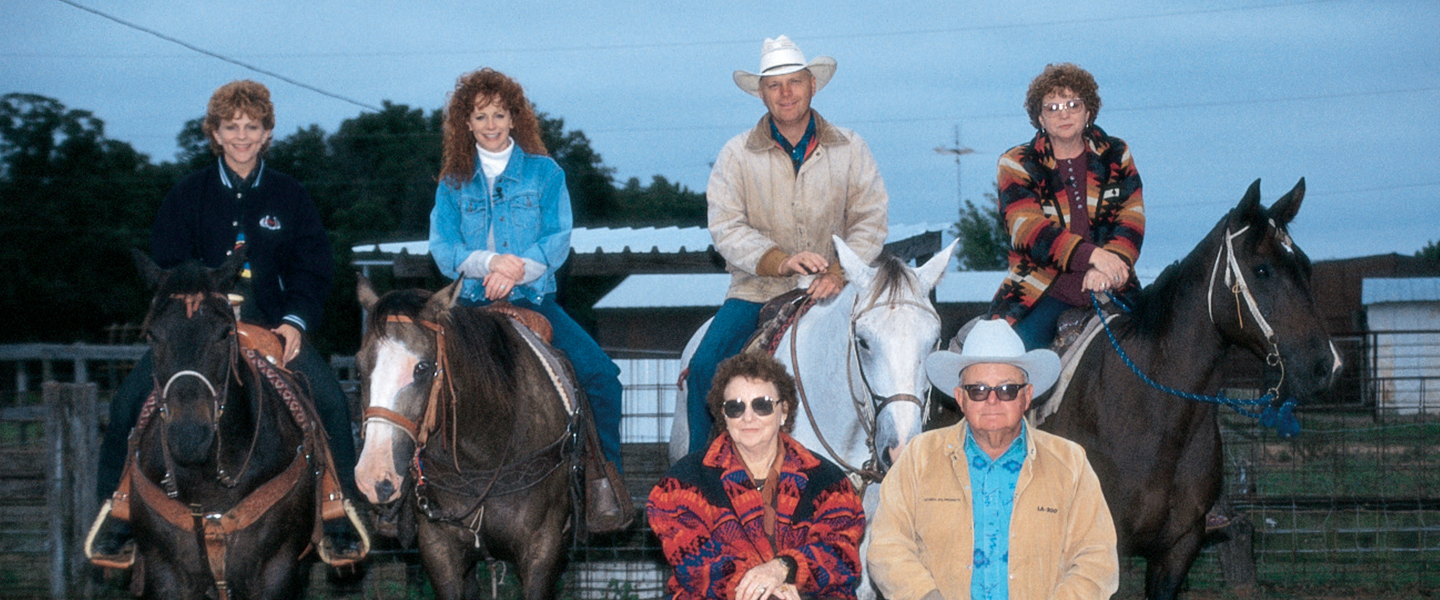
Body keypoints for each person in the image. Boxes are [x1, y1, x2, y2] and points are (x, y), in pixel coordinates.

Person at [91, 80, 363, 561]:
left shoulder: (290, 195)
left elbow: (313, 267)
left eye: (252, 127)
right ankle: (119, 512)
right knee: (131, 401)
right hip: (199, 330)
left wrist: (296, 322)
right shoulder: (186, 194)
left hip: (272, 324)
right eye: (231, 127)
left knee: (331, 401)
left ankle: (339, 512)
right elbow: (170, 265)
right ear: (214, 133)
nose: (241, 136)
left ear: (267, 133)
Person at [685, 35, 888, 454]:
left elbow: (870, 220)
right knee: (705, 369)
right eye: (774, 85)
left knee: (893, 358)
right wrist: (779, 261)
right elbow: (725, 225)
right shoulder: (736, 155)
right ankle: (699, 475)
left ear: (813, 85)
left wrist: (837, 272)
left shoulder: (850, 149)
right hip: (756, 292)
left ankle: (892, 461)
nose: (785, 93)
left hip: (837, 290)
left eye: (794, 82)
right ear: (761, 94)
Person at [428, 68, 626, 470]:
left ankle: (606, 483)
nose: (490, 125)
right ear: (466, 123)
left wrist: (513, 272)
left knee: (602, 379)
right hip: (468, 303)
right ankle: (412, 491)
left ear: (514, 118)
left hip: (534, 298)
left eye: (499, 115)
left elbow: (556, 238)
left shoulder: (546, 173)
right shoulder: (452, 182)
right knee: (419, 385)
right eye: (480, 116)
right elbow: (443, 248)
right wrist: (489, 263)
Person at [866, 319, 1119, 600]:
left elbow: (1096, 560)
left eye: (1007, 390)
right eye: (979, 390)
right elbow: (887, 546)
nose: (992, 401)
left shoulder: (1070, 462)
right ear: (960, 398)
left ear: (1027, 396)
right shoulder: (918, 458)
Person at [649, 353, 866, 600]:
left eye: (762, 405)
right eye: (735, 407)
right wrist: (766, 590)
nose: (748, 417)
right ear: (724, 417)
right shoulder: (682, 484)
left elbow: (840, 554)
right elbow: (695, 564)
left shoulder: (828, 481)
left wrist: (781, 568)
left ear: (783, 411)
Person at [988, 63, 1145, 351]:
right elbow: (1029, 230)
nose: (1064, 113)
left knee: (1162, 354)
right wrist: (1093, 257)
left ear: (1089, 112)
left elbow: (1131, 219)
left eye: (1073, 104)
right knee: (1008, 363)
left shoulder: (1116, 154)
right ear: (1040, 118)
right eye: (1053, 107)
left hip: (1116, 287)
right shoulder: (1017, 162)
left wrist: (1109, 266)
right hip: (1040, 291)